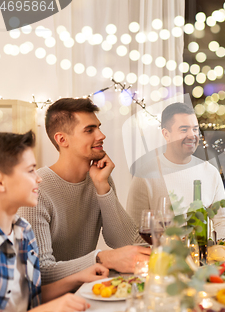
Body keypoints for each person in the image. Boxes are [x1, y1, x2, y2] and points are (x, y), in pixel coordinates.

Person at [18, 98, 149, 285]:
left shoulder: (99, 179)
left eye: (99, 127)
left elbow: (126, 242)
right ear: (62, 139)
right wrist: (102, 258)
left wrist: (103, 187)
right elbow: (41, 272)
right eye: (90, 130)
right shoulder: (36, 189)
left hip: (86, 291)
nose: (101, 135)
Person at [0, 131, 109, 311]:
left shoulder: (23, 231)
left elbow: (31, 299)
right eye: (30, 170)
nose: (38, 178)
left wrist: (78, 278)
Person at [127, 102, 225, 240]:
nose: (192, 135)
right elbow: (134, 234)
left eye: (195, 129)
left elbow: (223, 221)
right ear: (166, 134)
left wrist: (219, 249)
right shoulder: (144, 175)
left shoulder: (210, 172)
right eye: (184, 129)